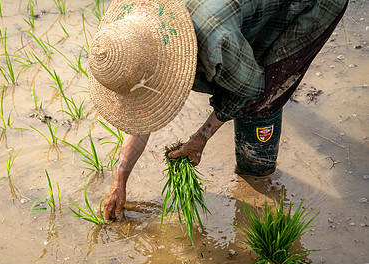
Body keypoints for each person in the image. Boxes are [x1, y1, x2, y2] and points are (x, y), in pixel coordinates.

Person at [88, 0, 349, 220]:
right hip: (240, 14)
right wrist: (120, 177)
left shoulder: (215, 41)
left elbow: (251, 88)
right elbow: (142, 113)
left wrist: (201, 137)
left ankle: (257, 175)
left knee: (262, 97)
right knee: (238, 70)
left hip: (312, 5)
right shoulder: (145, 21)